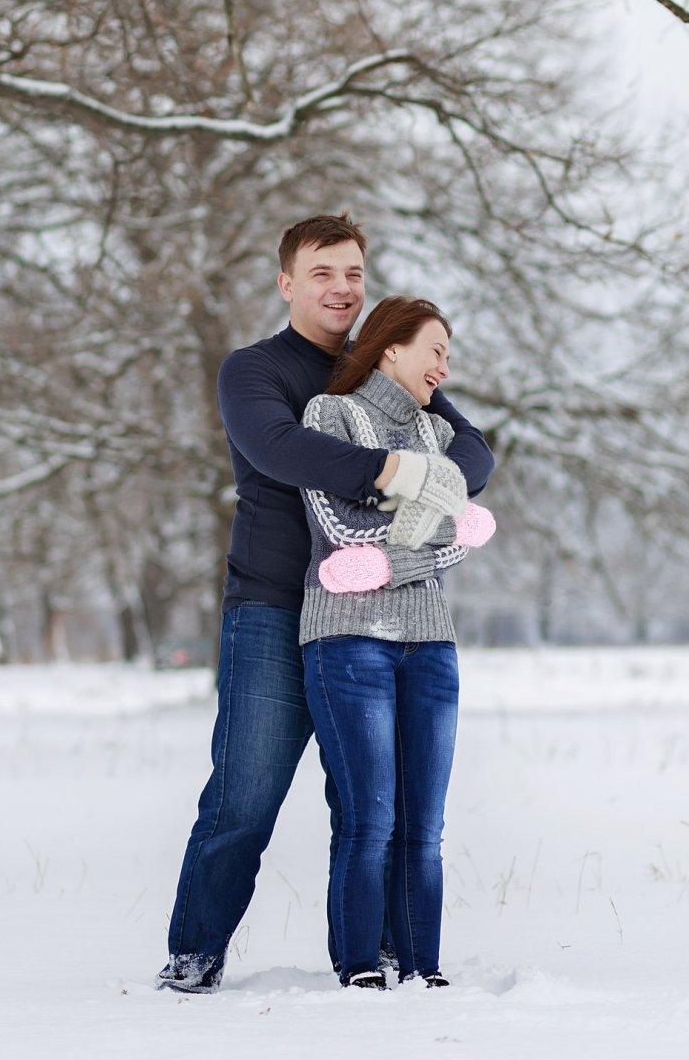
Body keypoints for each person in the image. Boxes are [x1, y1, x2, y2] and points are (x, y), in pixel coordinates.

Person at [159, 213, 495, 991]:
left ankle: (373, 956)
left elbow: (471, 453)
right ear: (286, 283)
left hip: (372, 618)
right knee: (245, 795)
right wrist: (397, 475)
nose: (341, 288)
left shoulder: (383, 370)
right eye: (321, 273)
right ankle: (195, 952)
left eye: (352, 274)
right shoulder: (253, 370)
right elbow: (280, 449)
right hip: (271, 609)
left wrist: (436, 482)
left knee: (369, 804)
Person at [299, 295, 496, 991]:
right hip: (346, 639)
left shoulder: (438, 437)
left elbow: (462, 537)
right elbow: (337, 530)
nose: (444, 367)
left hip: (431, 643)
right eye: (435, 350)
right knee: (369, 817)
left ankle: (423, 968)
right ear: (391, 348)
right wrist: (426, 527)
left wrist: (383, 562)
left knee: (424, 826)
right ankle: (360, 966)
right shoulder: (330, 417)